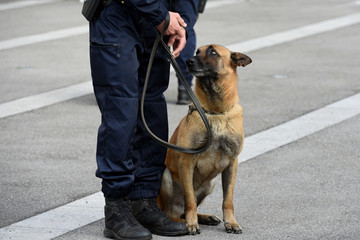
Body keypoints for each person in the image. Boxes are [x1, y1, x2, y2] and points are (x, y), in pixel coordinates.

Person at [88, 0, 198, 239]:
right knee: (121, 112)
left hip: (157, 21)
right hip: (118, 15)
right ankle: (116, 207)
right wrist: (161, 17)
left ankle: (144, 200)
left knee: (152, 111)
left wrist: (183, 22)